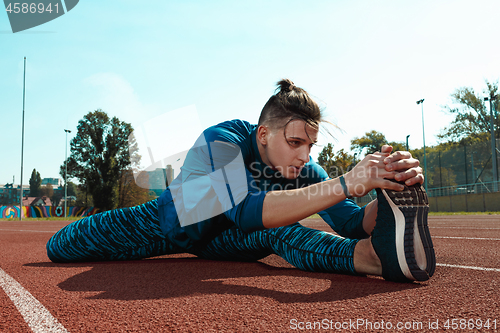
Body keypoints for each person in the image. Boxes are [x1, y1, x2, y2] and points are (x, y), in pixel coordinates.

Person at [47, 79, 435, 283]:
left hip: (226, 241)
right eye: (296, 142)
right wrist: (347, 181)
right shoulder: (223, 140)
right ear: (264, 135)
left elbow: (350, 222)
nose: (305, 155)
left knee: (278, 231)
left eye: (311, 146)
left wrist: (387, 186)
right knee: (59, 246)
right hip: (167, 226)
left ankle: (370, 257)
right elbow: (246, 209)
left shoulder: (300, 167)